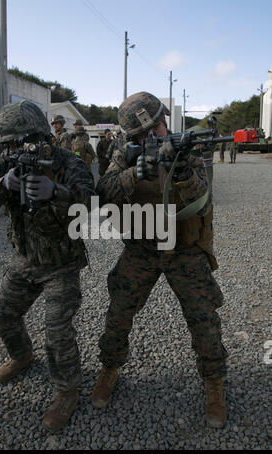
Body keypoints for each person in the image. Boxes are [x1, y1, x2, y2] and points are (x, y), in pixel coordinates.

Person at [92, 91, 228, 429]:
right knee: (119, 312)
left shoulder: (188, 152)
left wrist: (181, 172)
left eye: (158, 128)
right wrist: (134, 174)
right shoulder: (124, 155)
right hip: (141, 248)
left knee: (204, 317)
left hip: (184, 249)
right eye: (142, 135)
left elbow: (204, 200)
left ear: (166, 123)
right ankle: (109, 368)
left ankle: (214, 381)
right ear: (133, 138)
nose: (153, 137)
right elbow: (102, 193)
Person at [0, 100, 95, 433]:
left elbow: (91, 203)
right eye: (11, 143)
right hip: (25, 259)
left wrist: (56, 191)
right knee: (3, 316)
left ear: (40, 135)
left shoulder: (66, 161)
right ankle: (23, 356)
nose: (17, 149)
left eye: (22, 141)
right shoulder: (5, 162)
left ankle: (66, 391)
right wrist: (3, 185)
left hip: (61, 262)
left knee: (57, 334)